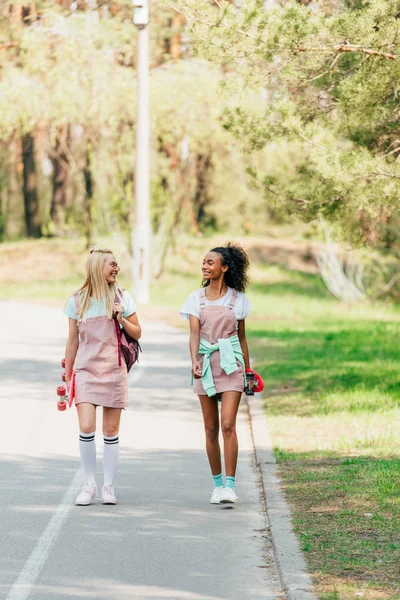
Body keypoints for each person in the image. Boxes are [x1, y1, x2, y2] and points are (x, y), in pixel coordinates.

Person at [64, 246, 141, 506]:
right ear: (98, 267)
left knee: (110, 431)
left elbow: (138, 332)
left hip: (114, 370)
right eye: (111, 264)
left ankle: (108, 486)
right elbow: (72, 341)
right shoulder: (77, 301)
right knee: (86, 427)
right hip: (85, 370)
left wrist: (121, 319)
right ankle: (89, 484)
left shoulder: (122, 298)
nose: (116, 268)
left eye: (117, 264)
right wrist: (67, 374)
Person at [180, 243, 251, 505]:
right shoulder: (194, 299)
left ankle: (230, 486)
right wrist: (194, 361)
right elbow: (194, 334)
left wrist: (248, 371)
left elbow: (242, 338)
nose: (205, 266)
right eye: (203, 262)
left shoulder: (239, 300)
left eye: (210, 262)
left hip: (232, 364)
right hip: (206, 364)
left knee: (228, 425)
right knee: (210, 428)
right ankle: (217, 485)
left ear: (225, 267)